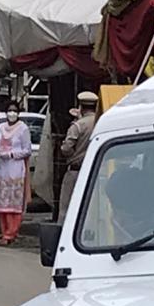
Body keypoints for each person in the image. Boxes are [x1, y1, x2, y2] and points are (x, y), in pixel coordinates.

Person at [0, 105, 33, 245]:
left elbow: (27, 150)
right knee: (2, 204)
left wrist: (12, 154)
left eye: (14, 111)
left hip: (15, 169)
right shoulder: (0, 128)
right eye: (9, 110)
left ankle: (11, 233)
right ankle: (4, 232)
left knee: (13, 204)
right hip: (2, 170)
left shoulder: (23, 129)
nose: (12, 113)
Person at [58, 90, 100, 221]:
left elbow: (66, 148)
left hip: (75, 170)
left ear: (81, 107)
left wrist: (73, 156)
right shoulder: (101, 121)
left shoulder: (78, 125)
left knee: (67, 207)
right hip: (95, 172)